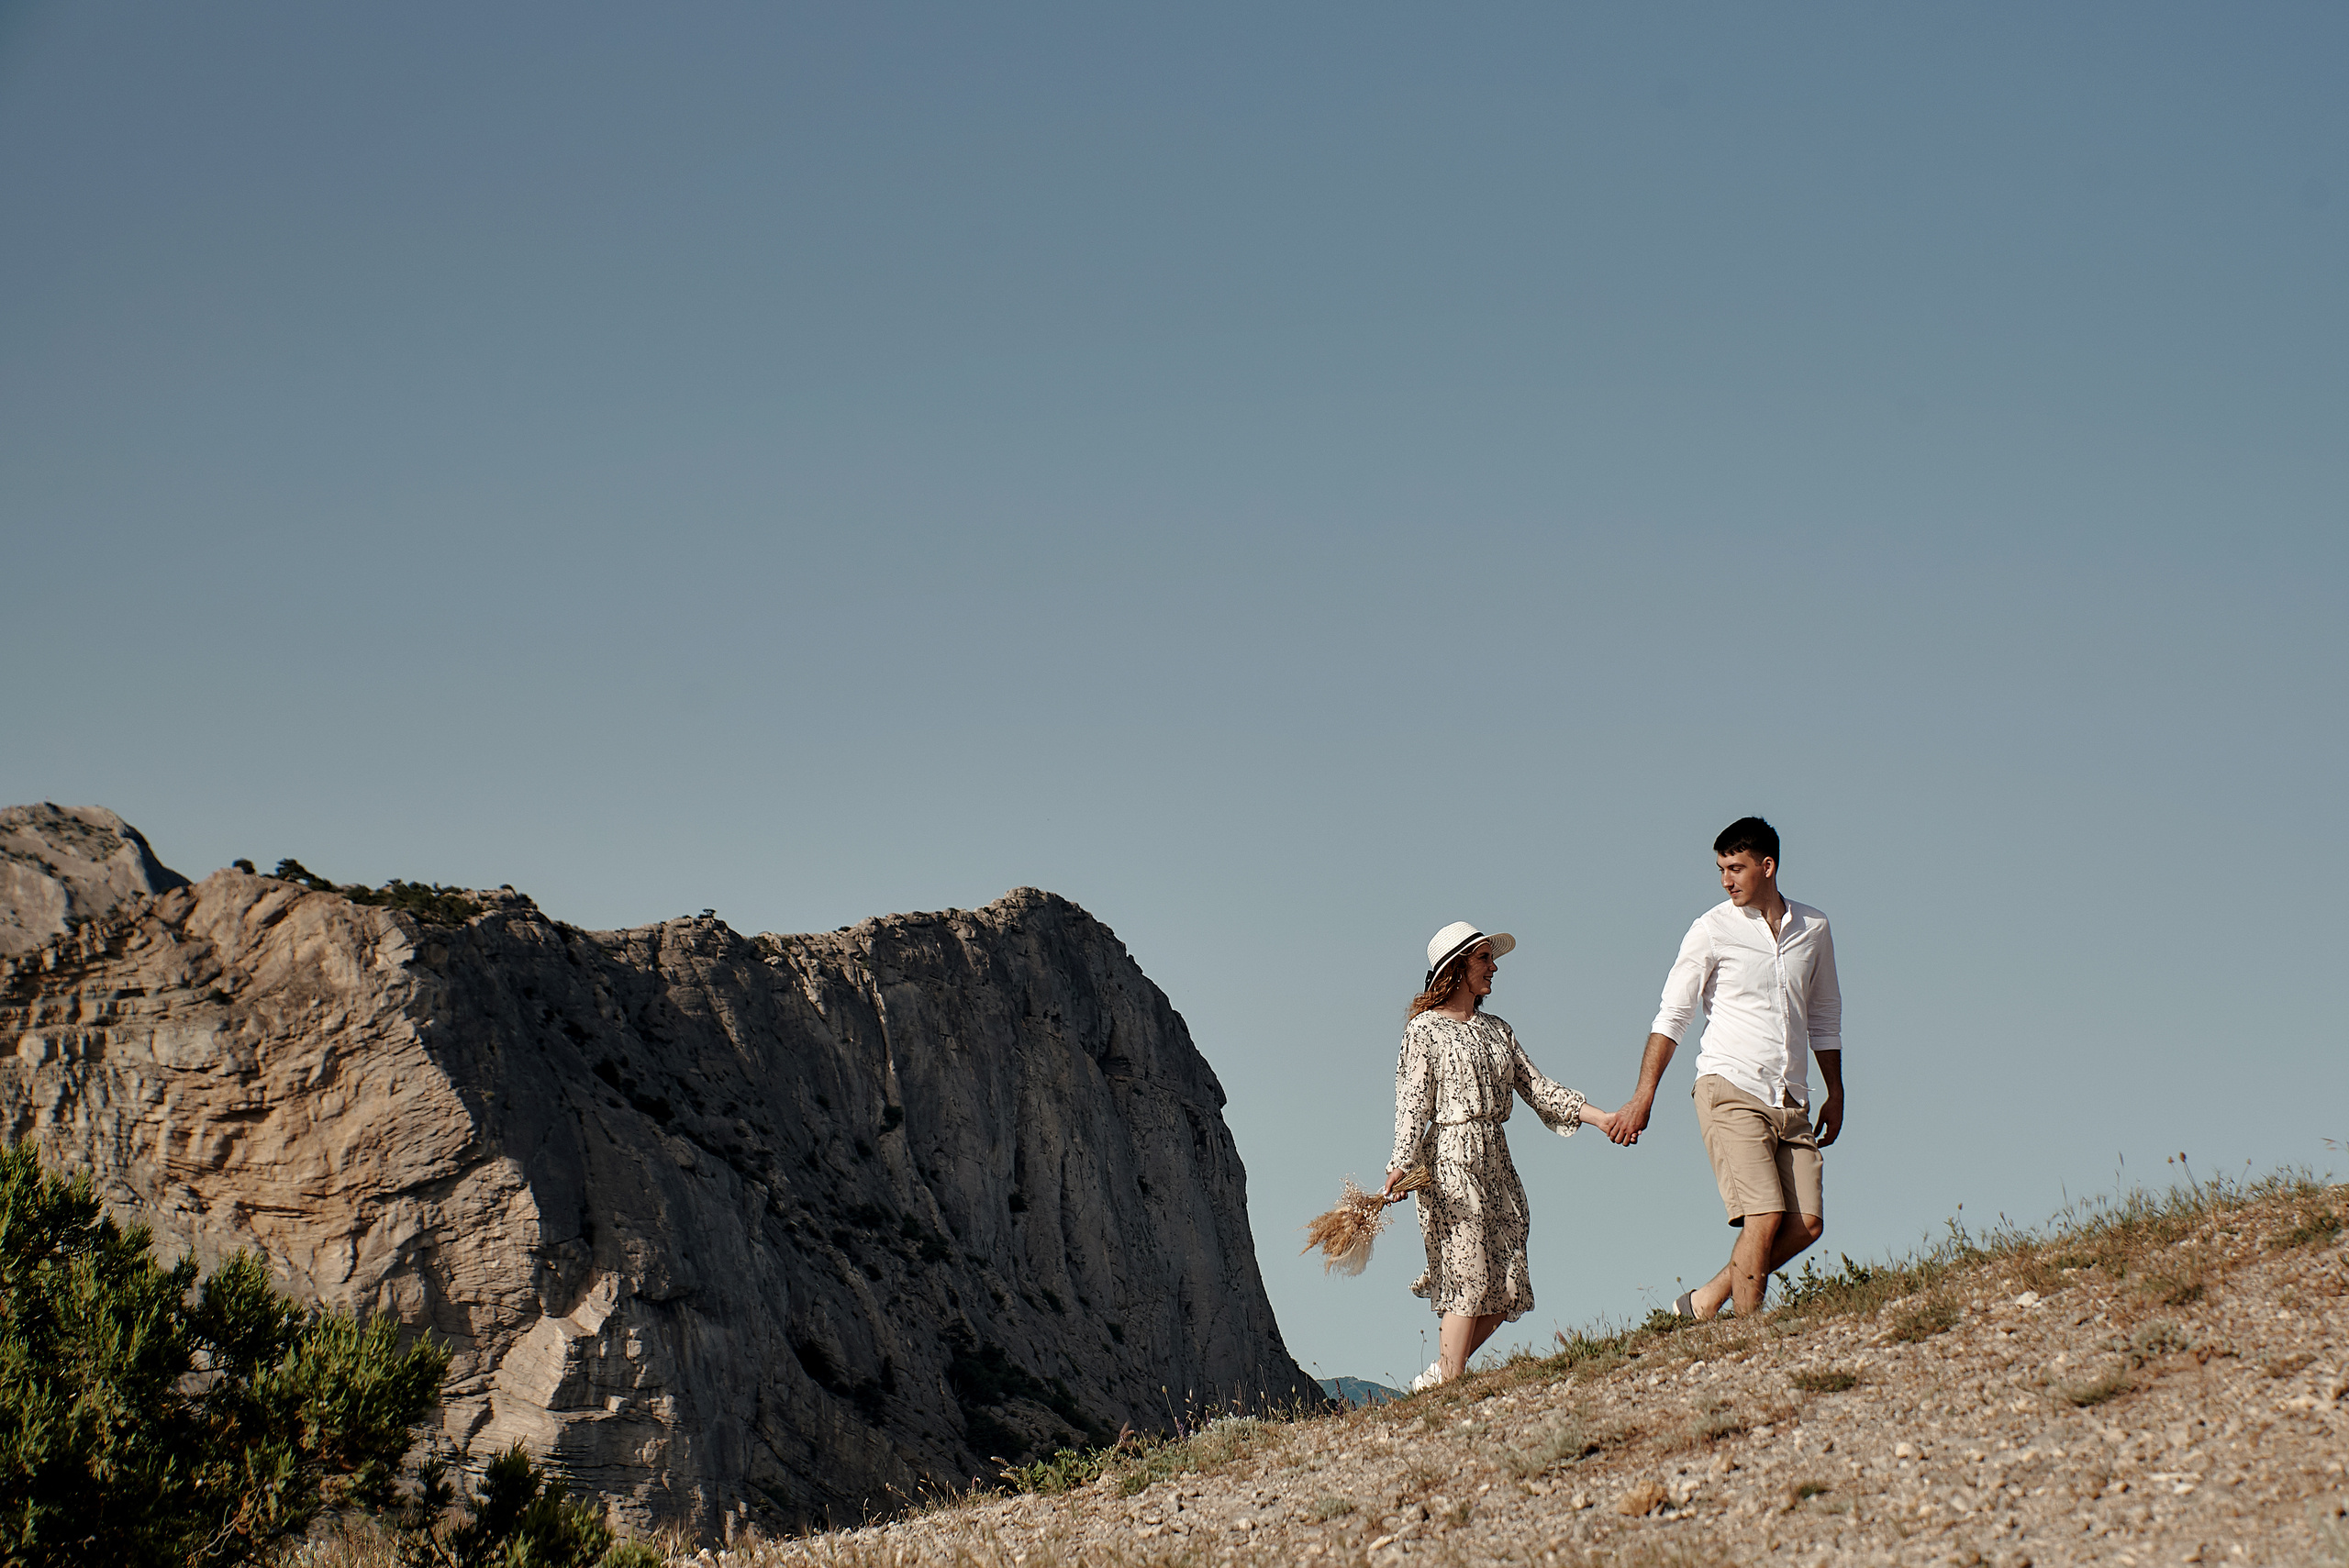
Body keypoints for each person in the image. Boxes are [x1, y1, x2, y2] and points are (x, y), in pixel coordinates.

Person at [1607, 817, 1842, 1319]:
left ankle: (1706, 1300)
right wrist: (1643, 1095)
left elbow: (1823, 1016)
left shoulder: (1814, 929)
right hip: (1729, 1086)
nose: (1726, 880)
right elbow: (1672, 1015)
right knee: (1764, 1214)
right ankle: (1746, 1335)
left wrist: (1835, 1091)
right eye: (1721, 869)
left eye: (1736, 868)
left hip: (1790, 1096)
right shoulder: (1710, 929)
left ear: (1768, 866)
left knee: (1806, 1222)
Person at [1380, 922, 1618, 1390]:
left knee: (1506, 1282)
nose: (1494, 968)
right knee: (1465, 1273)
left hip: (1496, 1160)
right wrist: (1398, 1166)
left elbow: (1538, 1089)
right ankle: (1449, 1383)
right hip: (1450, 1160)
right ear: (1456, 968)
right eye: (1484, 959)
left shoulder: (1498, 1031)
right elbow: (1412, 1105)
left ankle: (1437, 1379)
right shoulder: (1424, 1031)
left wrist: (1600, 1117)